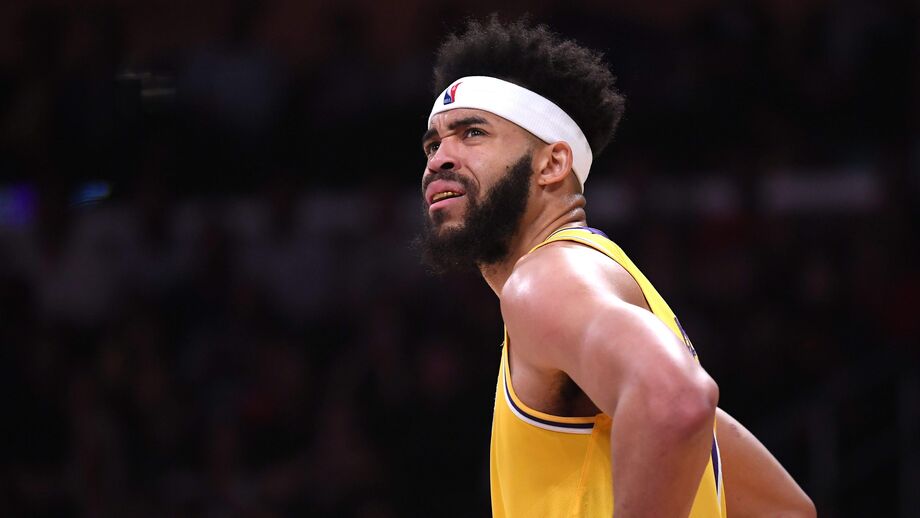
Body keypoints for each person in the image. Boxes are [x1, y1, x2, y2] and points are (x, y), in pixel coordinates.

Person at [417, 16, 816, 518]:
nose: (439, 158)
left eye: (472, 133)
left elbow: (676, 400)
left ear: (552, 165)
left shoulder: (547, 281)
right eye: (433, 144)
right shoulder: (596, 287)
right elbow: (785, 510)